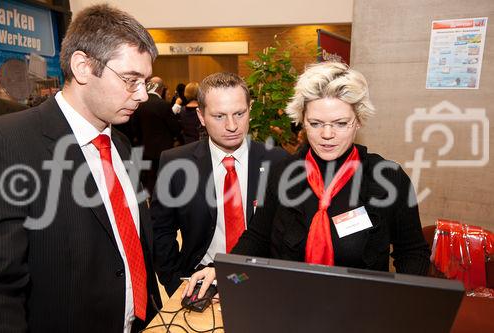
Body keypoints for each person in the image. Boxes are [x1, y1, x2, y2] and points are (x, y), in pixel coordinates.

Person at [184, 62, 431, 299]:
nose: (327, 134)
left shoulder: (388, 179)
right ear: (302, 121)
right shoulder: (282, 173)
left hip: (361, 310)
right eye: (315, 123)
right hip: (288, 305)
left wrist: (403, 306)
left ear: (358, 121)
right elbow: (258, 238)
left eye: (341, 123)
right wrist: (223, 268)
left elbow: (412, 252)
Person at [0, 5, 161, 332]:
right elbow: (1, 287)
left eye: (144, 81)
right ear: (83, 66)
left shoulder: (121, 144)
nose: (142, 95)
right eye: (131, 80)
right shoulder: (8, 142)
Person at [151, 72, 288, 296]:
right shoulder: (175, 163)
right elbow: (161, 230)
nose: (232, 125)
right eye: (219, 116)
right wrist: (175, 282)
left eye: (239, 113)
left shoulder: (278, 161)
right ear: (201, 116)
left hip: (261, 280)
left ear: (250, 110)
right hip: (198, 278)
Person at [134, 76, 182, 195]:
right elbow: (175, 127)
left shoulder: (139, 104)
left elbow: (135, 128)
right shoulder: (163, 105)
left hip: (144, 149)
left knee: (150, 180)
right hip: (164, 150)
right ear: (161, 89)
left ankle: (150, 203)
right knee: (165, 179)